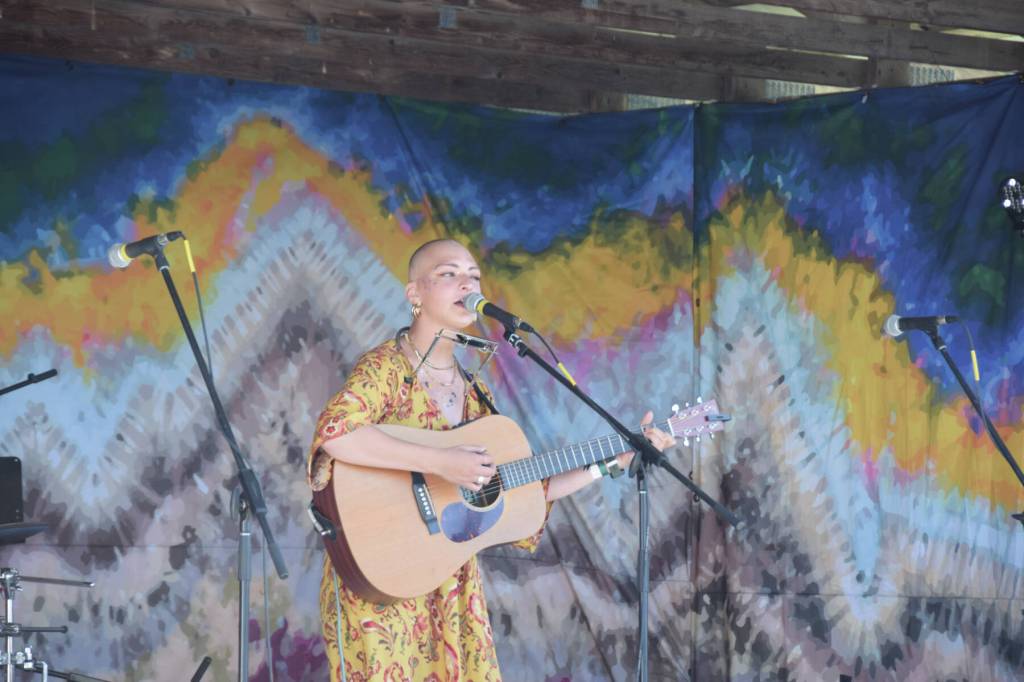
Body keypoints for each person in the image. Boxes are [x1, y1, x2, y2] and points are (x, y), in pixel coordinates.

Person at [307, 239, 676, 681]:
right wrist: (440, 463)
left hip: (452, 586)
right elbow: (337, 434)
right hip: (384, 588)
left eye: (474, 276)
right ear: (414, 295)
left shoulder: (477, 394)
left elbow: (523, 493)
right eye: (449, 274)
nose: (467, 282)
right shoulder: (387, 369)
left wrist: (609, 462)